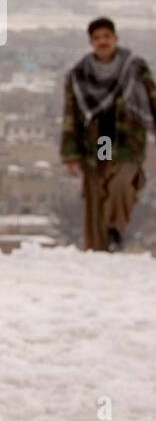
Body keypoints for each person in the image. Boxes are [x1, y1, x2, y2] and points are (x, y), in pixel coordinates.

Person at [60, 17, 156, 252]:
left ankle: (115, 228)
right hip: (100, 139)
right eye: (97, 38)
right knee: (98, 189)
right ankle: (99, 250)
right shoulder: (80, 74)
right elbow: (71, 115)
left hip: (127, 140)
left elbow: (152, 99)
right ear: (91, 42)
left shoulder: (133, 67)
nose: (103, 42)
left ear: (115, 38)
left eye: (107, 37)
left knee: (122, 184)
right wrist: (71, 154)